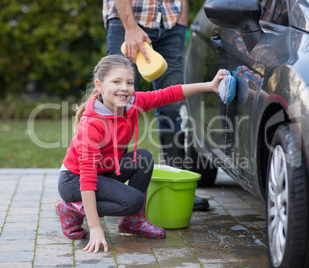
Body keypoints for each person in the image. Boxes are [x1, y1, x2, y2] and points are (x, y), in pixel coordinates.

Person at [56, 55, 226, 253]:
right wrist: (95, 228)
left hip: (104, 172)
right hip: (74, 181)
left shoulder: (133, 103)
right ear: (99, 85)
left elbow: (169, 94)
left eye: (129, 82)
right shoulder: (92, 125)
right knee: (133, 200)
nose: (124, 88)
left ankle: (132, 223)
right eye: (116, 82)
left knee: (143, 158)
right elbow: (87, 178)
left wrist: (210, 85)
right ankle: (71, 208)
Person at [103, 0, 210, 211]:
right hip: (129, 22)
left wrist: (181, 21)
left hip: (171, 23)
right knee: (114, 105)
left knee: (172, 108)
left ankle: (174, 187)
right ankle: (103, 190)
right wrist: (130, 26)